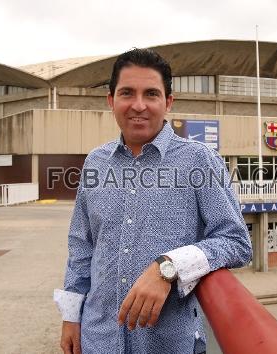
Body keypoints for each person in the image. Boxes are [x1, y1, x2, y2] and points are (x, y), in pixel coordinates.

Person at [54, 48, 252, 354]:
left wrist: (168, 267)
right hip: (98, 339)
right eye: (127, 93)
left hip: (168, 344)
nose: (138, 105)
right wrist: (70, 317)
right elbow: (82, 247)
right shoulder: (95, 163)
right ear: (111, 100)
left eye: (151, 94)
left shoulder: (199, 162)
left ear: (168, 102)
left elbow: (237, 242)